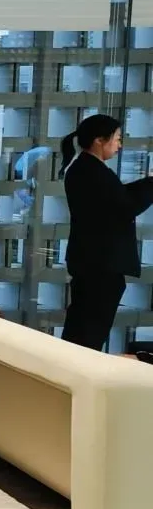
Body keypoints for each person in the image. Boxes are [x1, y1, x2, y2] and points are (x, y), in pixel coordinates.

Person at [61, 114, 153, 350]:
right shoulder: (90, 171)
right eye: (117, 139)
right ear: (99, 140)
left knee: (84, 329)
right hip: (99, 264)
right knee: (88, 333)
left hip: (94, 263)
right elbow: (124, 206)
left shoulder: (87, 169)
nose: (119, 145)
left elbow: (119, 197)